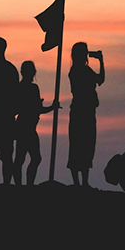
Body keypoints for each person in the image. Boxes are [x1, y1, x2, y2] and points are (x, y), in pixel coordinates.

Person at [13, 60, 58, 186]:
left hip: (27, 126)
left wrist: (49, 107)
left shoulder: (23, 88)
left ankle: (25, 185)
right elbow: (35, 109)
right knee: (26, 159)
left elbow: (36, 108)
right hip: (25, 127)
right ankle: (25, 185)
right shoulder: (30, 88)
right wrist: (50, 107)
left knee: (27, 159)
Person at [67, 42, 105, 188]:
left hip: (87, 111)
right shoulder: (77, 71)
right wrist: (101, 61)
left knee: (87, 146)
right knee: (79, 145)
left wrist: (101, 61)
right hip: (81, 112)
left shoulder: (83, 70)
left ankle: (83, 182)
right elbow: (100, 80)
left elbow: (100, 80)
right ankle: (78, 182)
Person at [0, 37, 20, 184]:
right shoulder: (9, 69)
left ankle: (6, 183)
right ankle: (0, 183)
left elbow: (14, 95)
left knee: (4, 156)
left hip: (1, 118)